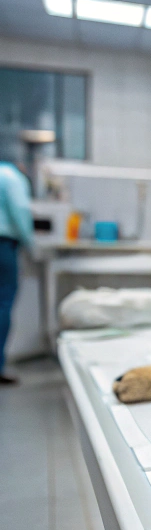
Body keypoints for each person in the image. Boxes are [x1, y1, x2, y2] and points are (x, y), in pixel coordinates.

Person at [0, 160, 35, 386]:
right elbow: (20, 211)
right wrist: (30, 244)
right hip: (3, 245)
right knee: (3, 302)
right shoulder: (11, 177)